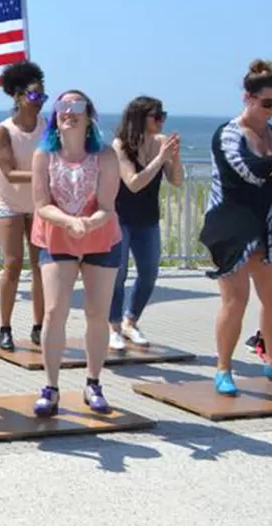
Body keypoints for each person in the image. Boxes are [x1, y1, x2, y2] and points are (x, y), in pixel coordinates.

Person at [202, 60, 272, 395]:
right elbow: (252, 170)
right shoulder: (227, 135)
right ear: (248, 98)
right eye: (267, 103)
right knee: (235, 301)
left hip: (267, 228)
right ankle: (223, 369)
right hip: (230, 230)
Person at [29, 90, 123, 417]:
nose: (69, 112)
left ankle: (93, 382)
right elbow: (41, 205)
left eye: (77, 106)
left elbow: (108, 206)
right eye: (62, 106)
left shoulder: (106, 156)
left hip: (101, 237)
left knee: (97, 314)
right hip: (57, 236)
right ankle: (51, 386)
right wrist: (70, 222)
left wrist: (87, 223)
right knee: (55, 311)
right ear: (55, 115)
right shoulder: (43, 156)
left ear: (89, 115)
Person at [108, 96, 183, 351]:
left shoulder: (161, 144)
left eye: (163, 115)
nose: (161, 121)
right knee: (117, 275)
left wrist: (174, 156)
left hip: (148, 218)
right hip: (120, 217)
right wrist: (160, 158)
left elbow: (176, 180)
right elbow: (134, 183)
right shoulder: (120, 146)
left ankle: (131, 321)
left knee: (149, 272)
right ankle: (114, 327)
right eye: (156, 116)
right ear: (140, 118)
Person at [0, 61, 47, 351]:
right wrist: (45, 175)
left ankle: (39, 326)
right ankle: (5, 326)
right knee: (12, 263)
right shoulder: (4, 131)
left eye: (42, 97)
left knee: (40, 266)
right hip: (9, 200)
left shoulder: (48, 127)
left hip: (37, 204)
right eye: (34, 96)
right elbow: (9, 171)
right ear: (19, 97)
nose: (39, 102)